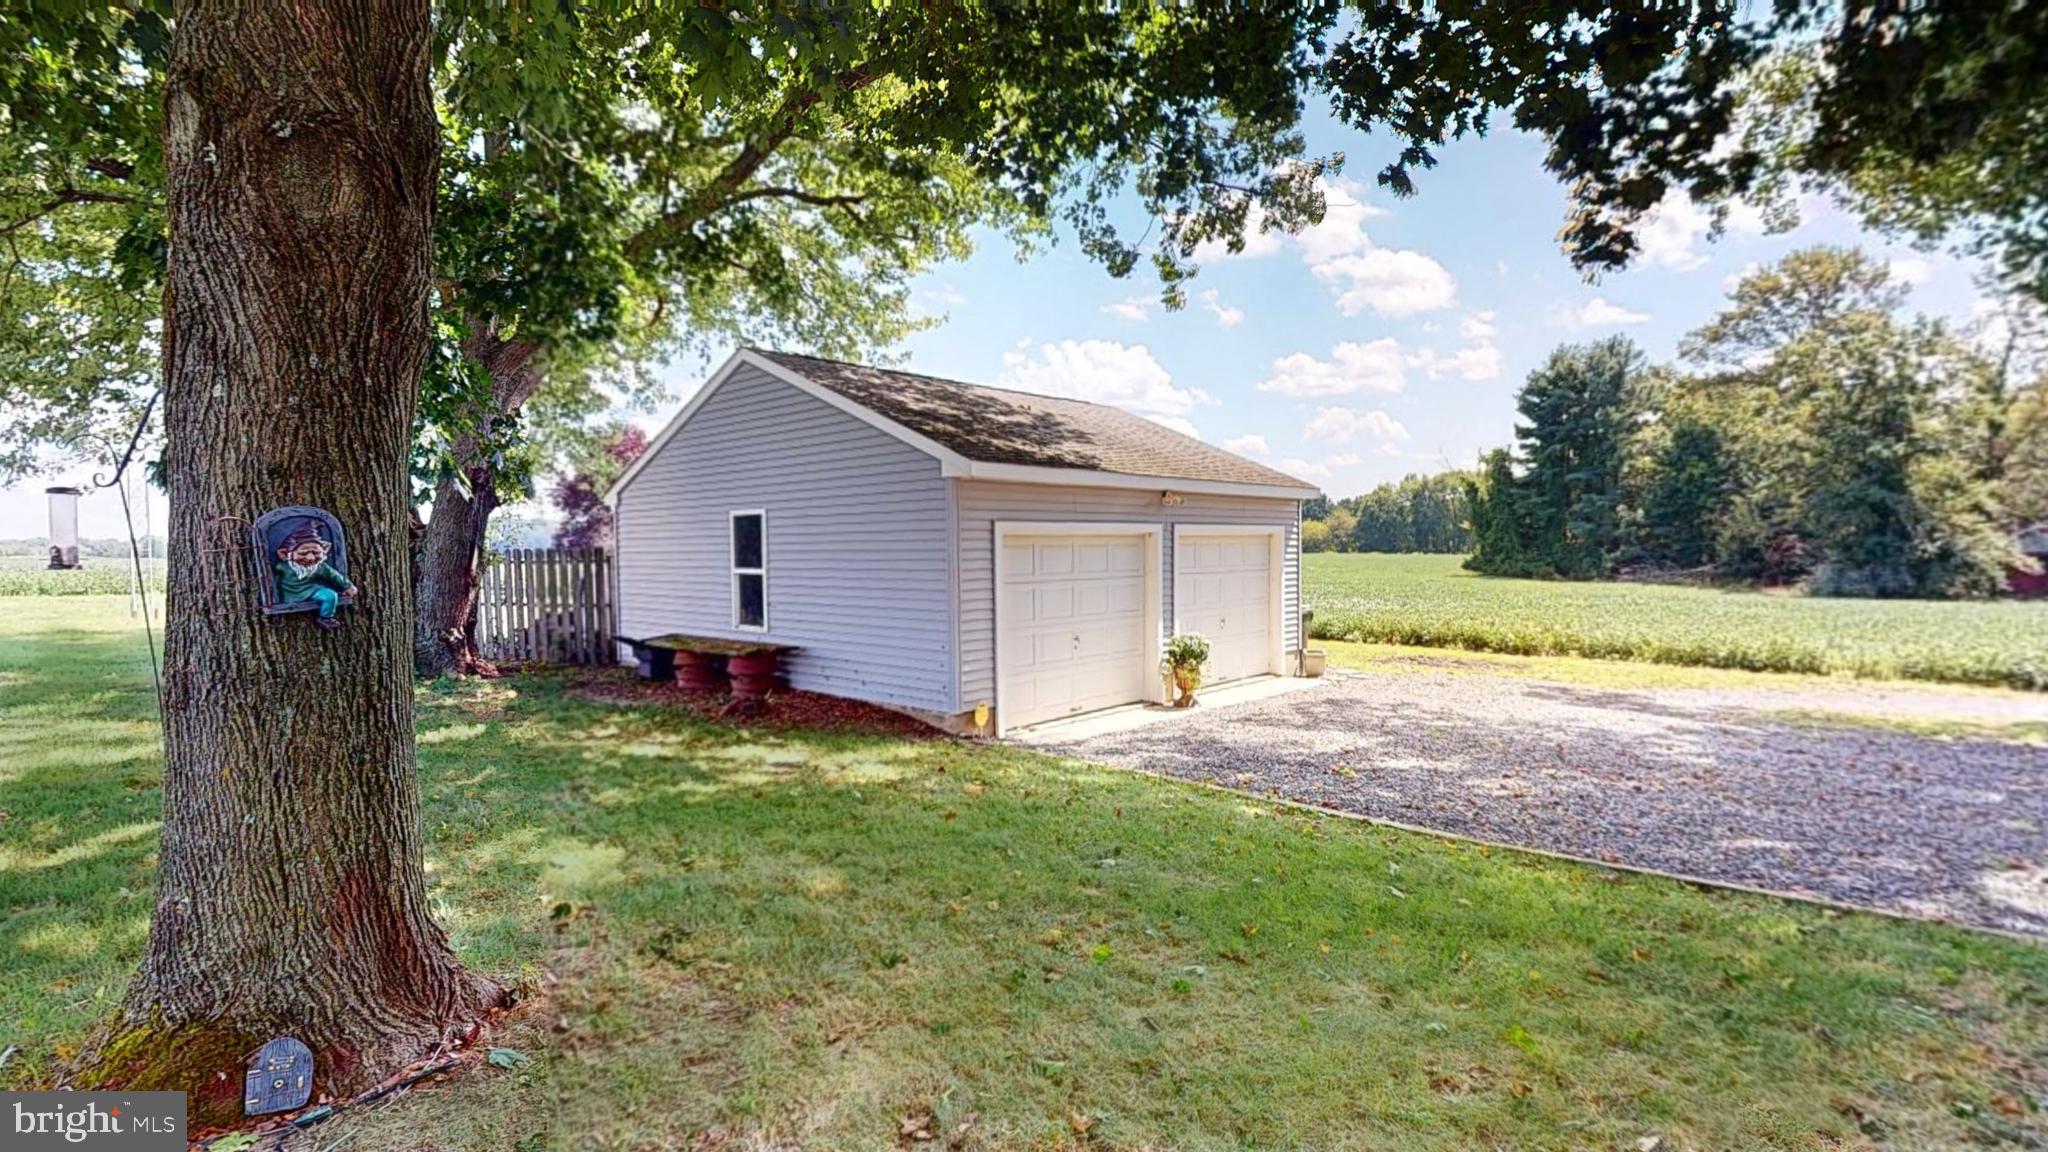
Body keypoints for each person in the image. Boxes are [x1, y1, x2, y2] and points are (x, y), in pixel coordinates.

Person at [272, 519, 358, 629]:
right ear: (285, 554)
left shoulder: (319, 567)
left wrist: (347, 586)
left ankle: (326, 617)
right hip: (291, 593)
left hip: (312, 589)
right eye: (303, 553)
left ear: (324, 551)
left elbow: (333, 575)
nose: (310, 558)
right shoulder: (283, 567)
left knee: (330, 596)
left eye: (316, 553)